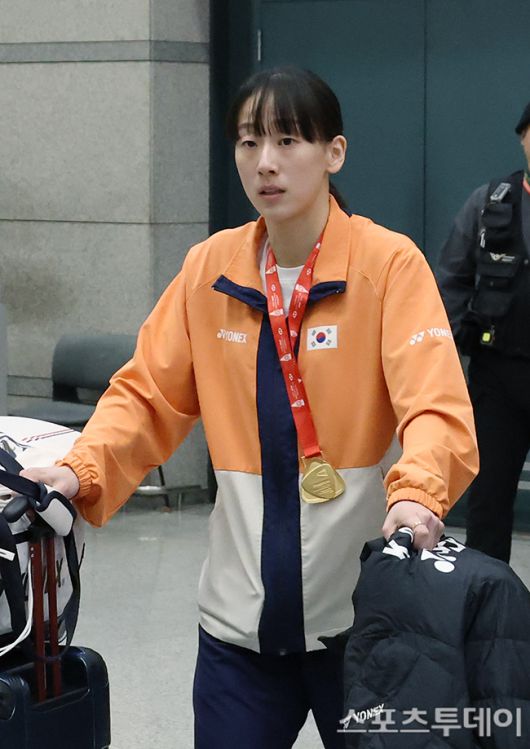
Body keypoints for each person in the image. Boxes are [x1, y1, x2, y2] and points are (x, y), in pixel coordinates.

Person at [22, 67, 478, 748]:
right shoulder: (210, 270)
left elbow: (436, 408)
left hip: (364, 624)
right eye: (248, 142)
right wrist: (79, 468)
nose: (266, 162)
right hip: (238, 632)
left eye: (288, 140)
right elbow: (145, 397)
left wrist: (417, 495)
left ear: (334, 152)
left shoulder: (388, 266)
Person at [436, 101, 530, 564]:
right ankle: (488, 596)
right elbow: (451, 280)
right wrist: (451, 349)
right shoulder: (488, 203)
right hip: (498, 380)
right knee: (488, 501)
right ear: (523, 137)